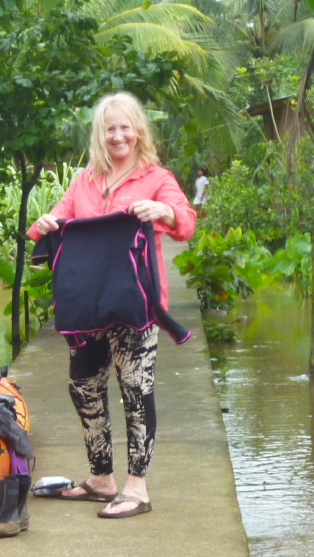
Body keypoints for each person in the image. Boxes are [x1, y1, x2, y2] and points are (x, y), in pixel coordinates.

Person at [27, 91, 196, 519]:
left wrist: (161, 209)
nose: (118, 135)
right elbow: (49, 223)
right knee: (83, 386)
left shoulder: (157, 177)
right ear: (99, 135)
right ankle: (101, 478)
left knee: (135, 389)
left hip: (136, 303)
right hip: (88, 306)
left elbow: (185, 222)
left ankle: (137, 487)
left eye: (125, 127)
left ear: (138, 131)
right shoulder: (85, 180)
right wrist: (44, 223)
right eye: (110, 128)